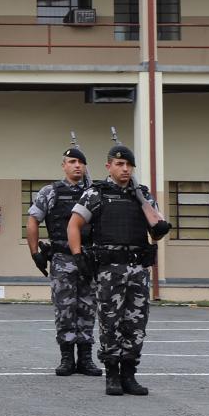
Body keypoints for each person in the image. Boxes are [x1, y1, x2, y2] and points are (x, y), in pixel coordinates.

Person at [68, 143, 171, 396]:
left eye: (129, 165)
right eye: (119, 164)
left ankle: (129, 374)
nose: (125, 169)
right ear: (109, 166)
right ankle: (112, 374)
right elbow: (74, 225)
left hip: (137, 268)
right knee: (110, 321)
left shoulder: (142, 195)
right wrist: (78, 256)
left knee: (135, 323)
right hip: (109, 270)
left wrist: (158, 228)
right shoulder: (96, 194)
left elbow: (155, 232)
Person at [26, 147, 101, 377]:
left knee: (88, 307)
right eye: (72, 161)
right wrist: (35, 253)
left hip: (89, 258)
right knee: (65, 308)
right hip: (62, 258)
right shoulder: (50, 192)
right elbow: (32, 221)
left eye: (81, 162)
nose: (77, 165)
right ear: (64, 165)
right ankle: (67, 357)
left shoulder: (95, 192)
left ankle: (86, 357)